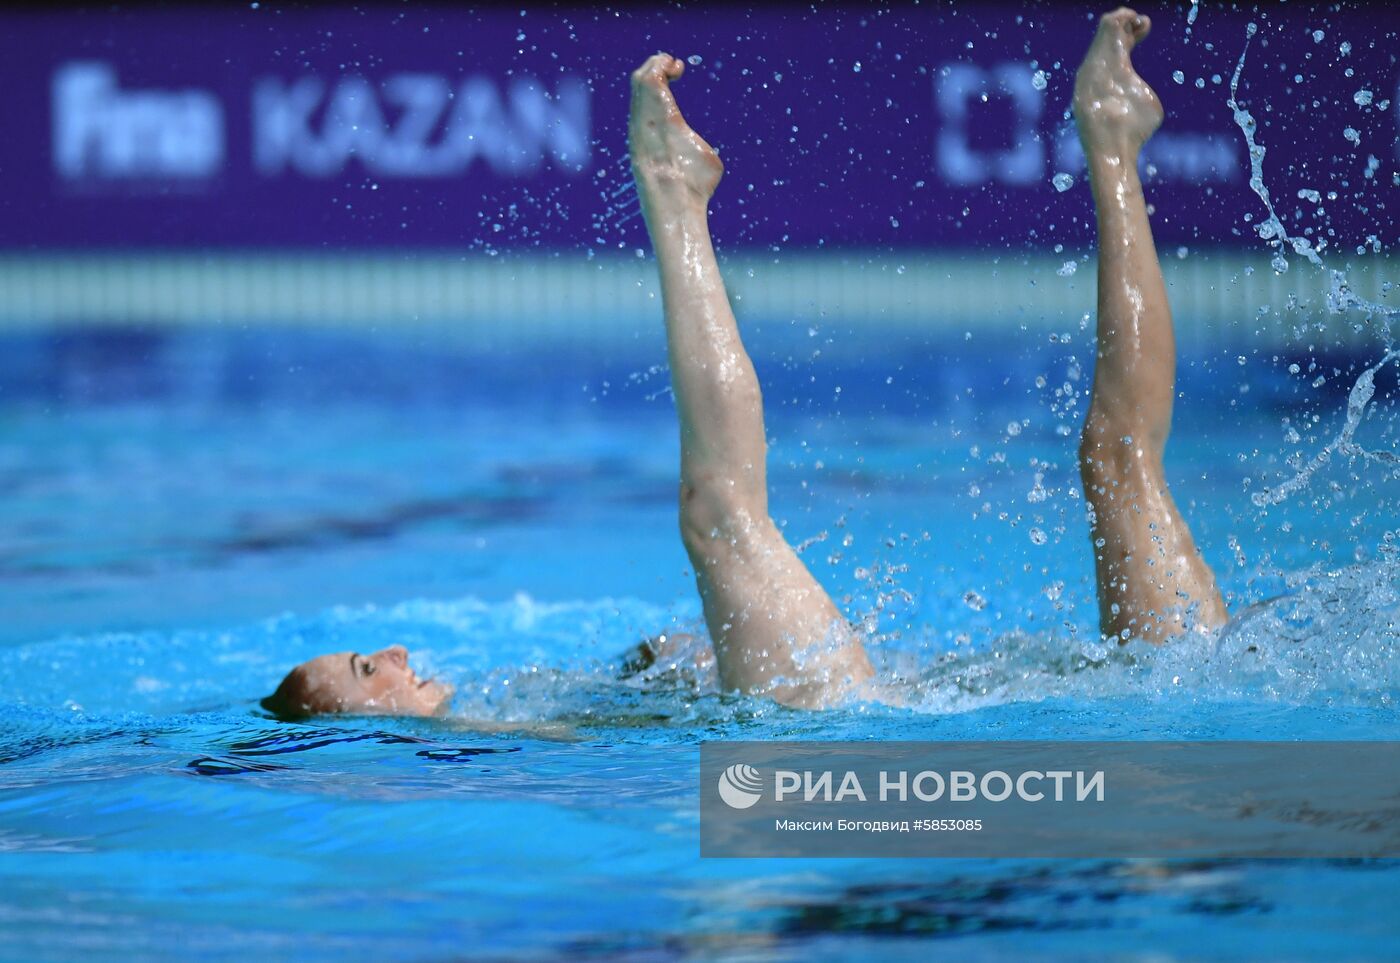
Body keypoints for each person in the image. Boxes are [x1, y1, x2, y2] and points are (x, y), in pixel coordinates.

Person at [260, 7, 1227, 719]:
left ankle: (1112, 138)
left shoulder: (494, 734)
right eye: (362, 670)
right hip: (840, 734)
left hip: (859, 725)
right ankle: (678, 198)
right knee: (725, 513)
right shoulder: (454, 764)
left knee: (1119, 460)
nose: (391, 650)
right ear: (354, 737)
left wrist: (658, 672)